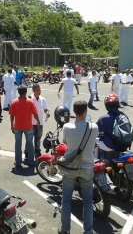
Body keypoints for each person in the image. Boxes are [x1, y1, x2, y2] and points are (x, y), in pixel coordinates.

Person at [59, 100, 98, 234]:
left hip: (70, 167)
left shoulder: (67, 127)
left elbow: (65, 142)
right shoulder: (94, 126)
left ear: (73, 112)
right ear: (86, 111)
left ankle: (65, 229)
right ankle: (88, 231)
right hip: (87, 167)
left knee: (66, 199)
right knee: (87, 201)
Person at [9, 85, 40, 168]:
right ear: (26, 92)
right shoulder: (30, 101)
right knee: (30, 144)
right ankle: (31, 161)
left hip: (17, 126)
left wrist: (12, 125)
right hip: (28, 126)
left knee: (18, 144)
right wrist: (38, 121)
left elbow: (11, 115)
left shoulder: (14, 102)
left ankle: (18, 162)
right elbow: (35, 113)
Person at [25, 83, 50, 159]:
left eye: (39, 90)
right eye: (37, 90)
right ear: (33, 90)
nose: (39, 91)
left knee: (38, 138)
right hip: (31, 122)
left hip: (40, 122)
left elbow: (45, 108)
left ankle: (37, 152)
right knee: (29, 139)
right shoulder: (29, 98)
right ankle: (27, 153)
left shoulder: (42, 99)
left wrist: (47, 113)